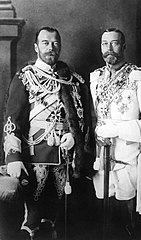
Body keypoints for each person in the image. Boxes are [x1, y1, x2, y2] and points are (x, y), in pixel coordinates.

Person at [2, 26, 93, 239]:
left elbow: (84, 118)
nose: (50, 47)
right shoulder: (25, 78)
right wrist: (13, 158)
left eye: (55, 43)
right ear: (36, 47)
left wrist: (75, 136)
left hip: (66, 159)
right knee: (32, 218)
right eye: (45, 42)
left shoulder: (74, 80)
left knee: (58, 219)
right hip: (35, 157)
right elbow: (12, 121)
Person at [90, 28, 141, 237]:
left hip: (128, 156)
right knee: (104, 215)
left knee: (127, 217)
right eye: (105, 44)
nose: (109, 49)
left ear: (124, 46)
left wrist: (117, 129)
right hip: (100, 156)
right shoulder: (95, 77)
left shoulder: (138, 76)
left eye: (114, 43)